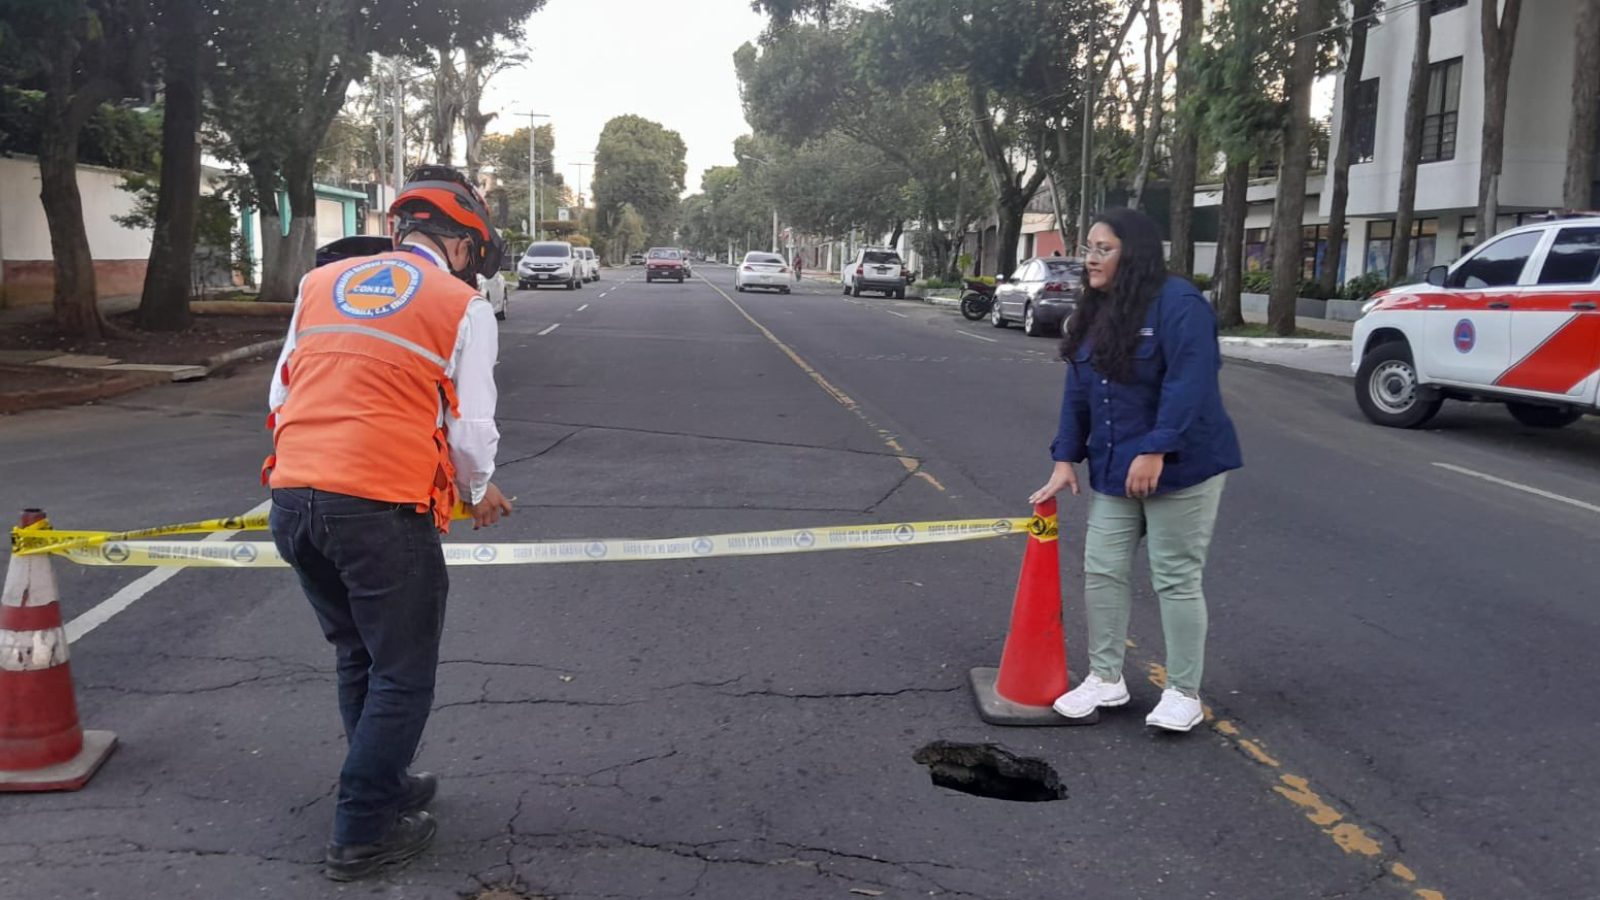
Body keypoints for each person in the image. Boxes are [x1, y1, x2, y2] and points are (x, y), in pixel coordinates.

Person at [264, 165, 514, 880]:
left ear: (400, 231)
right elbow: (471, 432)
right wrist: (478, 491)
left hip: (294, 499)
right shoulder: (460, 305)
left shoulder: (319, 286)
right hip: (378, 510)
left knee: (359, 657)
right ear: (464, 247)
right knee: (403, 674)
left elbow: (282, 386)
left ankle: (385, 782)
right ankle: (362, 832)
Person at [1029, 207, 1241, 733]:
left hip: (1183, 467)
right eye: (1089, 248)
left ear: (1135, 253)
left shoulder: (1179, 305)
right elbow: (1080, 389)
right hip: (1116, 467)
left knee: (1174, 577)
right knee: (1101, 568)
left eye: (1104, 249)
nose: (1091, 258)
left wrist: (1156, 448)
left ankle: (1182, 692)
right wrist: (1064, 458)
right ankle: (1106, 677)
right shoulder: (1095, 311)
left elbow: (1189, 383)